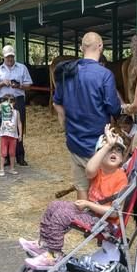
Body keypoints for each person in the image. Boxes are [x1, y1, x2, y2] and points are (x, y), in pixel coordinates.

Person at [20, 126, 128, 268]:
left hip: (106, 224)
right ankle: (44, 245)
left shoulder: (121, 178)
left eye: (118, 150)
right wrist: (107, 144)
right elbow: (89, 169)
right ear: (100, 155)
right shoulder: (99, 171)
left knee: (62, 215)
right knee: (54, 206)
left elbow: (115, 212)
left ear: (122, 158)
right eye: (109, 150)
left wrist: (89, 204)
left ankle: (54, 255)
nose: (114, 152)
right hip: (92, 215)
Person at [53, 32, 122, 200]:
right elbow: (114, 108)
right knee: (100, 191)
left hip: (74, 142)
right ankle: (96, 223)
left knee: (82, 188)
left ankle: (84, 221)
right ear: (101, 47)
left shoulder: (67, 72)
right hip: (98, 145)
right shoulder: (105, 75)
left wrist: (65, 126)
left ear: (81, 48)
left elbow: (57, 103)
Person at [0, 45, 33, 166]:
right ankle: (7, 156)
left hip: (17, 100)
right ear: (3, 57)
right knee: (5, 128)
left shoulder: (22, 68)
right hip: (3, 101)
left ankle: (20, 156)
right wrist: (1, 84)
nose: (9, 59)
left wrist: (18, 85)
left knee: (19, 126)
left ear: (14, 56)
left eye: (11, 56)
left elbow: (29, 85)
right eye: (7, 57)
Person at [0, 94, 23, 176]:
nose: (9, 103)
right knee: (3, 153)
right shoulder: (3, 110)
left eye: (11, 101)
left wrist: (20, 135)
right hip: (4, 134)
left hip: (13, 135)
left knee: (12, 153)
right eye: (7, 101)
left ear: (14, 102)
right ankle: (1, 169)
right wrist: (2, 105)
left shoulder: (16, 112)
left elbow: (19, 124)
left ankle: (12, 168)